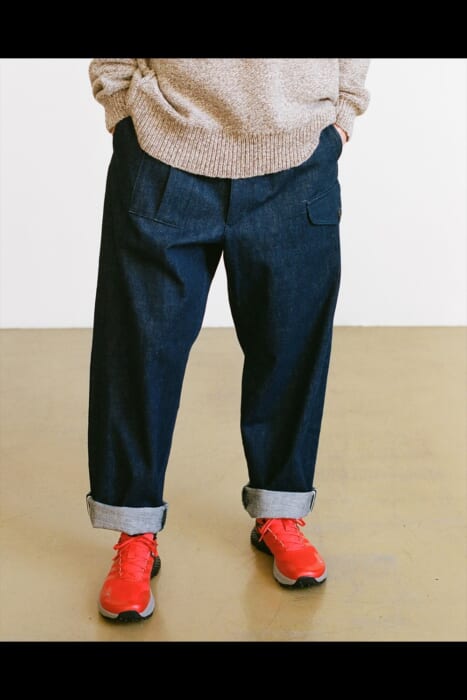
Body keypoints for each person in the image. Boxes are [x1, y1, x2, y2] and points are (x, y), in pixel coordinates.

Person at [87, 58, 370, 622]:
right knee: (140, 350)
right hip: (165, 148)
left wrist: (342, 112)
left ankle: (280, 510)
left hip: (296, 154)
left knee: (289, 344)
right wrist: (122, 107)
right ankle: (133, 532)